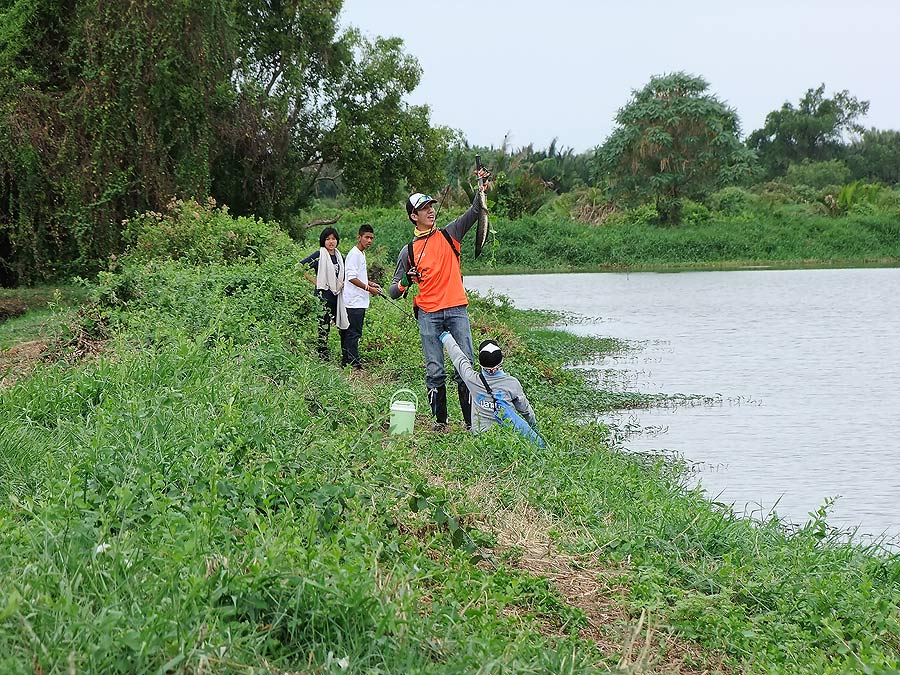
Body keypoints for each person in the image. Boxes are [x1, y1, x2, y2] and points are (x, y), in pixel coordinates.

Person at [388, 172, 490, 431]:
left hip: (456, 309)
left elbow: (476, 210)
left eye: (431, 206)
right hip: (428, 314)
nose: (430, 211)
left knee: (465, 366)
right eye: (424, 209)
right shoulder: (408, 251)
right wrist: (406, 282)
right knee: (435, 369)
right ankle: (440, 422)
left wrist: (481, 187)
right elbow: (393, 290)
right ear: (414, 216)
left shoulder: (450, 233)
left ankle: (470, 423)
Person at [439, 332, 543, 445]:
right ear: (501, 362)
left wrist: (446, 337)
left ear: (480, 363)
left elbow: (458, 358)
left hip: (481, 437)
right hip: (507, 435)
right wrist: (534, 428)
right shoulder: (512, 384)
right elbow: (526, 410)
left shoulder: (472, 379)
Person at [300, 226, 348, 360]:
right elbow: (300, 267)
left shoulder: (340, 257)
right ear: (323, 241)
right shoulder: (319, 255)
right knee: (323, 326)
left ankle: (345, 354)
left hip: (337, 296)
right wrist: (315, 281)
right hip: (323, 297)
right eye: (327, 239)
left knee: (343, 326)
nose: (331, 242)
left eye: (333, 239)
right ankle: (322, 355)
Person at [342, 224, 382, 370]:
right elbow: (351, 277)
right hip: (354, 300)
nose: (369, 240)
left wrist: (372, 284)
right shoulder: (354, 254)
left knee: (352, 332)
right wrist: (369, 288)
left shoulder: (361, 253)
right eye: (366, 237)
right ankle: (354, 364)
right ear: (359, 237)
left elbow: (359, 275)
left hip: (359, 300)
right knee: (354, 333)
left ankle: (347, 361)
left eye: (371, 238)